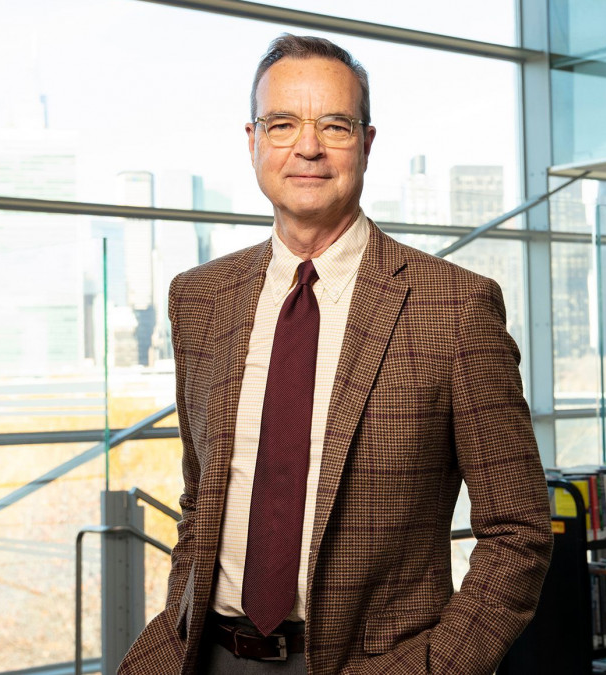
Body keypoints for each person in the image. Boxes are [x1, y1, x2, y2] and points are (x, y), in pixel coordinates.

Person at [119, 34, 553, 674]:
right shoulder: (199, 299)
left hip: (371, 663)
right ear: (253, 141)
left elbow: (518, 534)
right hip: (201, 657)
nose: (308, 147)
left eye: (335, 125)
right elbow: (200, 500)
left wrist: (430, 670)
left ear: (368, 143)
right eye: (283, 123)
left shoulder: (455, 309)